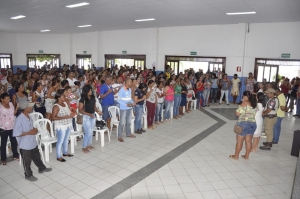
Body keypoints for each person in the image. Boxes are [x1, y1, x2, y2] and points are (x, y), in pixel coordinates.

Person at [13, 101, 52, 181]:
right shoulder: (19, 119)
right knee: (27, 161)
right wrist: (29, 133)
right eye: (30, 107)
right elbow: (16, 133)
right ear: (25, 109)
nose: (31, 108)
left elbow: (32, 127)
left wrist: (35, 130)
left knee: (36, 156)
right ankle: (28, 175)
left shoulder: (29, 116)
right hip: (24, 144)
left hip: (32, 141)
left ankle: (41, 168)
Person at [229, 91, 257, 160]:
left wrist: (240, 106)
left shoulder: (244, 103)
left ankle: (236, 156)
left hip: (243, 124)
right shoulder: (254, 103)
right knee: (248, 141)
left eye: (243, 96)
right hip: (252, 124)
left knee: (239, 141)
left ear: (245, 96)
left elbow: (237, 114)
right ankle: (246, 156)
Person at [52, 89, 76, 162]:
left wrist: (72, 114)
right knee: (60, 140)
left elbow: (68, 112)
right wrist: (64, 117)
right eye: (63, 96)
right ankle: (58, 156)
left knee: (66, 139)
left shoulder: (65, 103)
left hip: (68, 123)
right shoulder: (56, 106)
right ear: (59, 98)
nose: (65, 97)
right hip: (61, 125)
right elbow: (53, 117)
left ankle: (65, 152)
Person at [79, 85, 103, 153]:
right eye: (90, 90)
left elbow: (94, 107)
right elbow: (80, 110)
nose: (91, 91)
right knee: (88, 132)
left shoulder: (92, 97)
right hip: (86, 116)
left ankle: (89, 144)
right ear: (86, 91)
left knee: (91, 131)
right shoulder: (83, 99)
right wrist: (88, 114)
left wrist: (98, 111)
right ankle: (84, 147)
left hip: (92, 115)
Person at [0, 93, 19, 165]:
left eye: (9, 99)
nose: (8, 100)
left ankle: (15, 155)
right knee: (3, 144)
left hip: (12, 126)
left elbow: (14, 113)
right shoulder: (0, 107)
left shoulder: (10, 104)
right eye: (6, 99)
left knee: (14, 141)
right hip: (3, 128)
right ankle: (3, 159)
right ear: (2, 99)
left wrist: (16, 107)